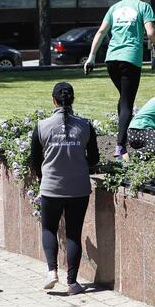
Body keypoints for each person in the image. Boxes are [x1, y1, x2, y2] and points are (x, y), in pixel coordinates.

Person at [31, 82, 99, 295]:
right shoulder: (86, 126)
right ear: (72, 100)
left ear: (53, 101)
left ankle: (51, 271)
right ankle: (72, 283)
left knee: (48, 228)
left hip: (51, 187)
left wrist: (45, 177)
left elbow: (34, 160)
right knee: (73, 234)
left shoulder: (41, 126)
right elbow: (94, 158)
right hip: (79, 188)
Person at [83, 0, 155, 161]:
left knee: (123, 99)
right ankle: (120, 147)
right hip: (130, 59)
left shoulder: (114, 7)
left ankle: (122, 137)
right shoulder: (144, 7)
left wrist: (91, 57)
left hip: (111, 60)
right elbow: (151, 33)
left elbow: (101, 31)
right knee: (127, 102)